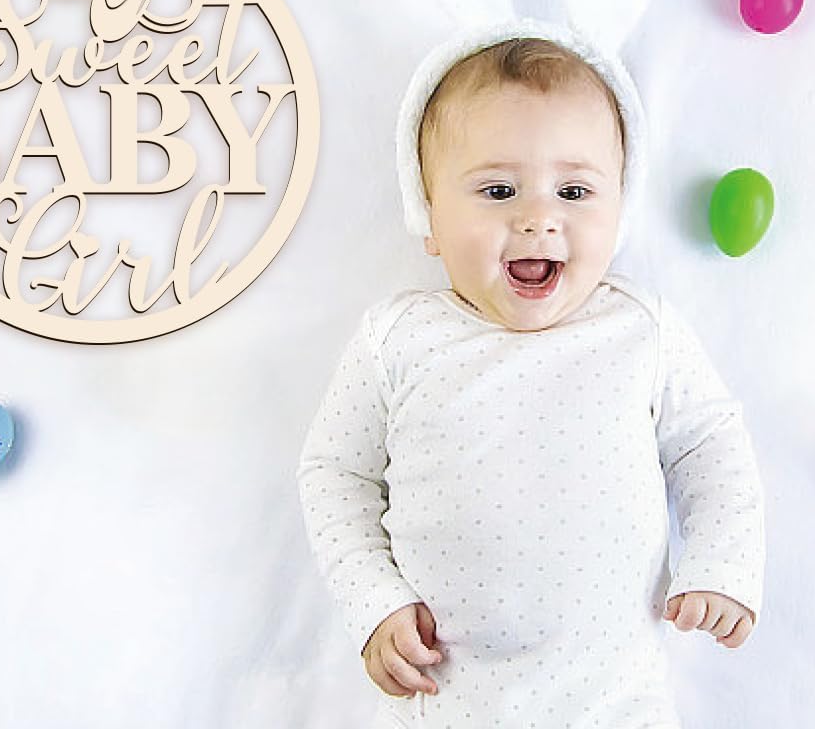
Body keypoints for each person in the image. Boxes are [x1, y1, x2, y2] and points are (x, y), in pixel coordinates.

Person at [295, 35, 766, 728]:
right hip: (447, 699)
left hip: (615, 702)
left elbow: (711, 446)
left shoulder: (641, 330)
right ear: (428, 215)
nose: (538, 217)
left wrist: (722, 561)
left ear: (618, 210)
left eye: (574, 191)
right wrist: (374, 602)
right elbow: (335, 474)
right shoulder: (399, 338)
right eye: (497, 190)